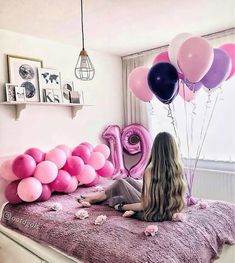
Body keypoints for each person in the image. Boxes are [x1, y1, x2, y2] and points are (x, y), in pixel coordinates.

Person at [78, 132, 186, 222]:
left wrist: (121, 207)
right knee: (128, 180)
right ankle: (98, 197)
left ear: (156, 148)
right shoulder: (177, 167)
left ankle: (97, 198)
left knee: (121, 183)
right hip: (165, 209)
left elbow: (145, 205)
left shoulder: (151, 170)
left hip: (152, 211)